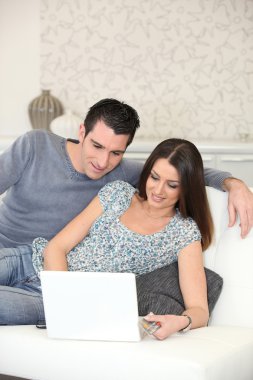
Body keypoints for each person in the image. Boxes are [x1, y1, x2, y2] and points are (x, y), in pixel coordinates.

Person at [1, 138, 213, 340]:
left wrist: (177, 322)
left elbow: (200, 310)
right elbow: (57, 246)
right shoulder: (117, 193)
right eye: (155, 177)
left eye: (172, 185)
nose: (158, 190)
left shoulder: (184, 234)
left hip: (50, 301)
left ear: (187, 187)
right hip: (27, 261)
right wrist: (63, 292)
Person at [0, 98, 252, 251]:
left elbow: (184, 173)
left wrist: (233, 183)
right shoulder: (34, 146)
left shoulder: (123, 172)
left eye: (115, 152)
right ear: (81, 132)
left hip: (46, 267)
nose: (102, 162)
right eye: (96, 146)